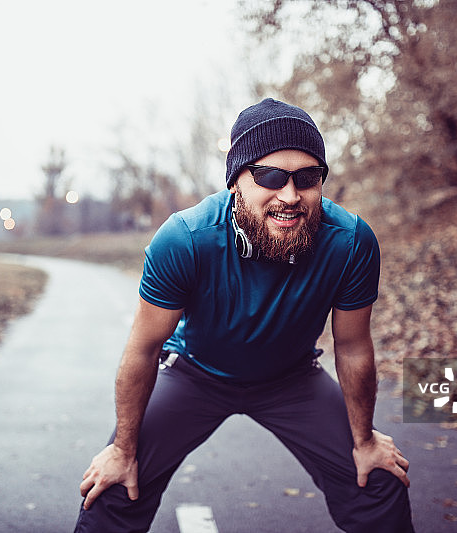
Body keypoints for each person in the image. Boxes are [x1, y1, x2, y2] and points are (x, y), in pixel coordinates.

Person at [74, 98, 414, 532]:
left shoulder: (350, 242)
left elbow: (351, 347)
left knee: (378, 479)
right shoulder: (186, 239)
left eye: (307, 178)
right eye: (270, 176)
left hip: (291, 379)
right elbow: (143, 349)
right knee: (115, 486)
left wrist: (365, 440)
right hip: (195, 374)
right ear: (236, 181)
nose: (289, 196)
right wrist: (123, 449)